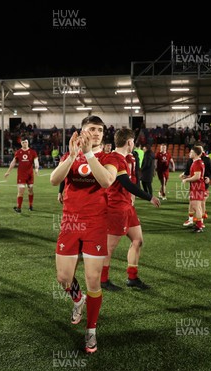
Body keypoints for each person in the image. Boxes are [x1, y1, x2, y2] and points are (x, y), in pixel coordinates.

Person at [50, 115, 116, 354]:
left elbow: (107, 181)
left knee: (93, 281)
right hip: (70, 223)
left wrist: (88, 154)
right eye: (91, 129)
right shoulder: (71, 155)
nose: (96, 133)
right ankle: (78, 300)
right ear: (82, 132)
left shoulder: (110, 157)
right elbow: (54, 179)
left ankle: (91, 330)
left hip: (95, 225)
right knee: (63, 278)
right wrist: (72, 156)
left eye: (99, 130)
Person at [100, 128, 161, 291]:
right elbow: (126, 183)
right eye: (133, 141)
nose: (134, 143)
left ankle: (132, 277)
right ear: (129, 142)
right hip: (116, 208)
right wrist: (150, 197)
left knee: (138, 240)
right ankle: (103, 280)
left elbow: (131, 181)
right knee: (109, 247)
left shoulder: (126, 158)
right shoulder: (113, 158)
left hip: (128, 207)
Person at [4, 139, 39, 213]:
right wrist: (8, 172)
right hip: (21, 175)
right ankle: (19, 208)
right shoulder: (18, 152)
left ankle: (30, 205)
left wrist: (36, 169)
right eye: (23, 142)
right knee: (21, 191)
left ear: (28, 142)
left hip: (30, 175)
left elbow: (36, 161)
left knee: (30, 190)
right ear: (21, 143)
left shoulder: (33, 152)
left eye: (26, 142)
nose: (24, 143)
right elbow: (13, 162)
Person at [181, 146, 206, 233]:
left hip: (197, 187)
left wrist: (186, 179)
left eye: (191, 152)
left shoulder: (197, 163)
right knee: (194, 205)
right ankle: (198, 224)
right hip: (197, 186)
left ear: (195, 154)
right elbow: (195, 175)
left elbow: (197, 176)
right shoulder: (197, 162)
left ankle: (199, 226)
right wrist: (186, 176)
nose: (189, 154)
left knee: (196, 206)